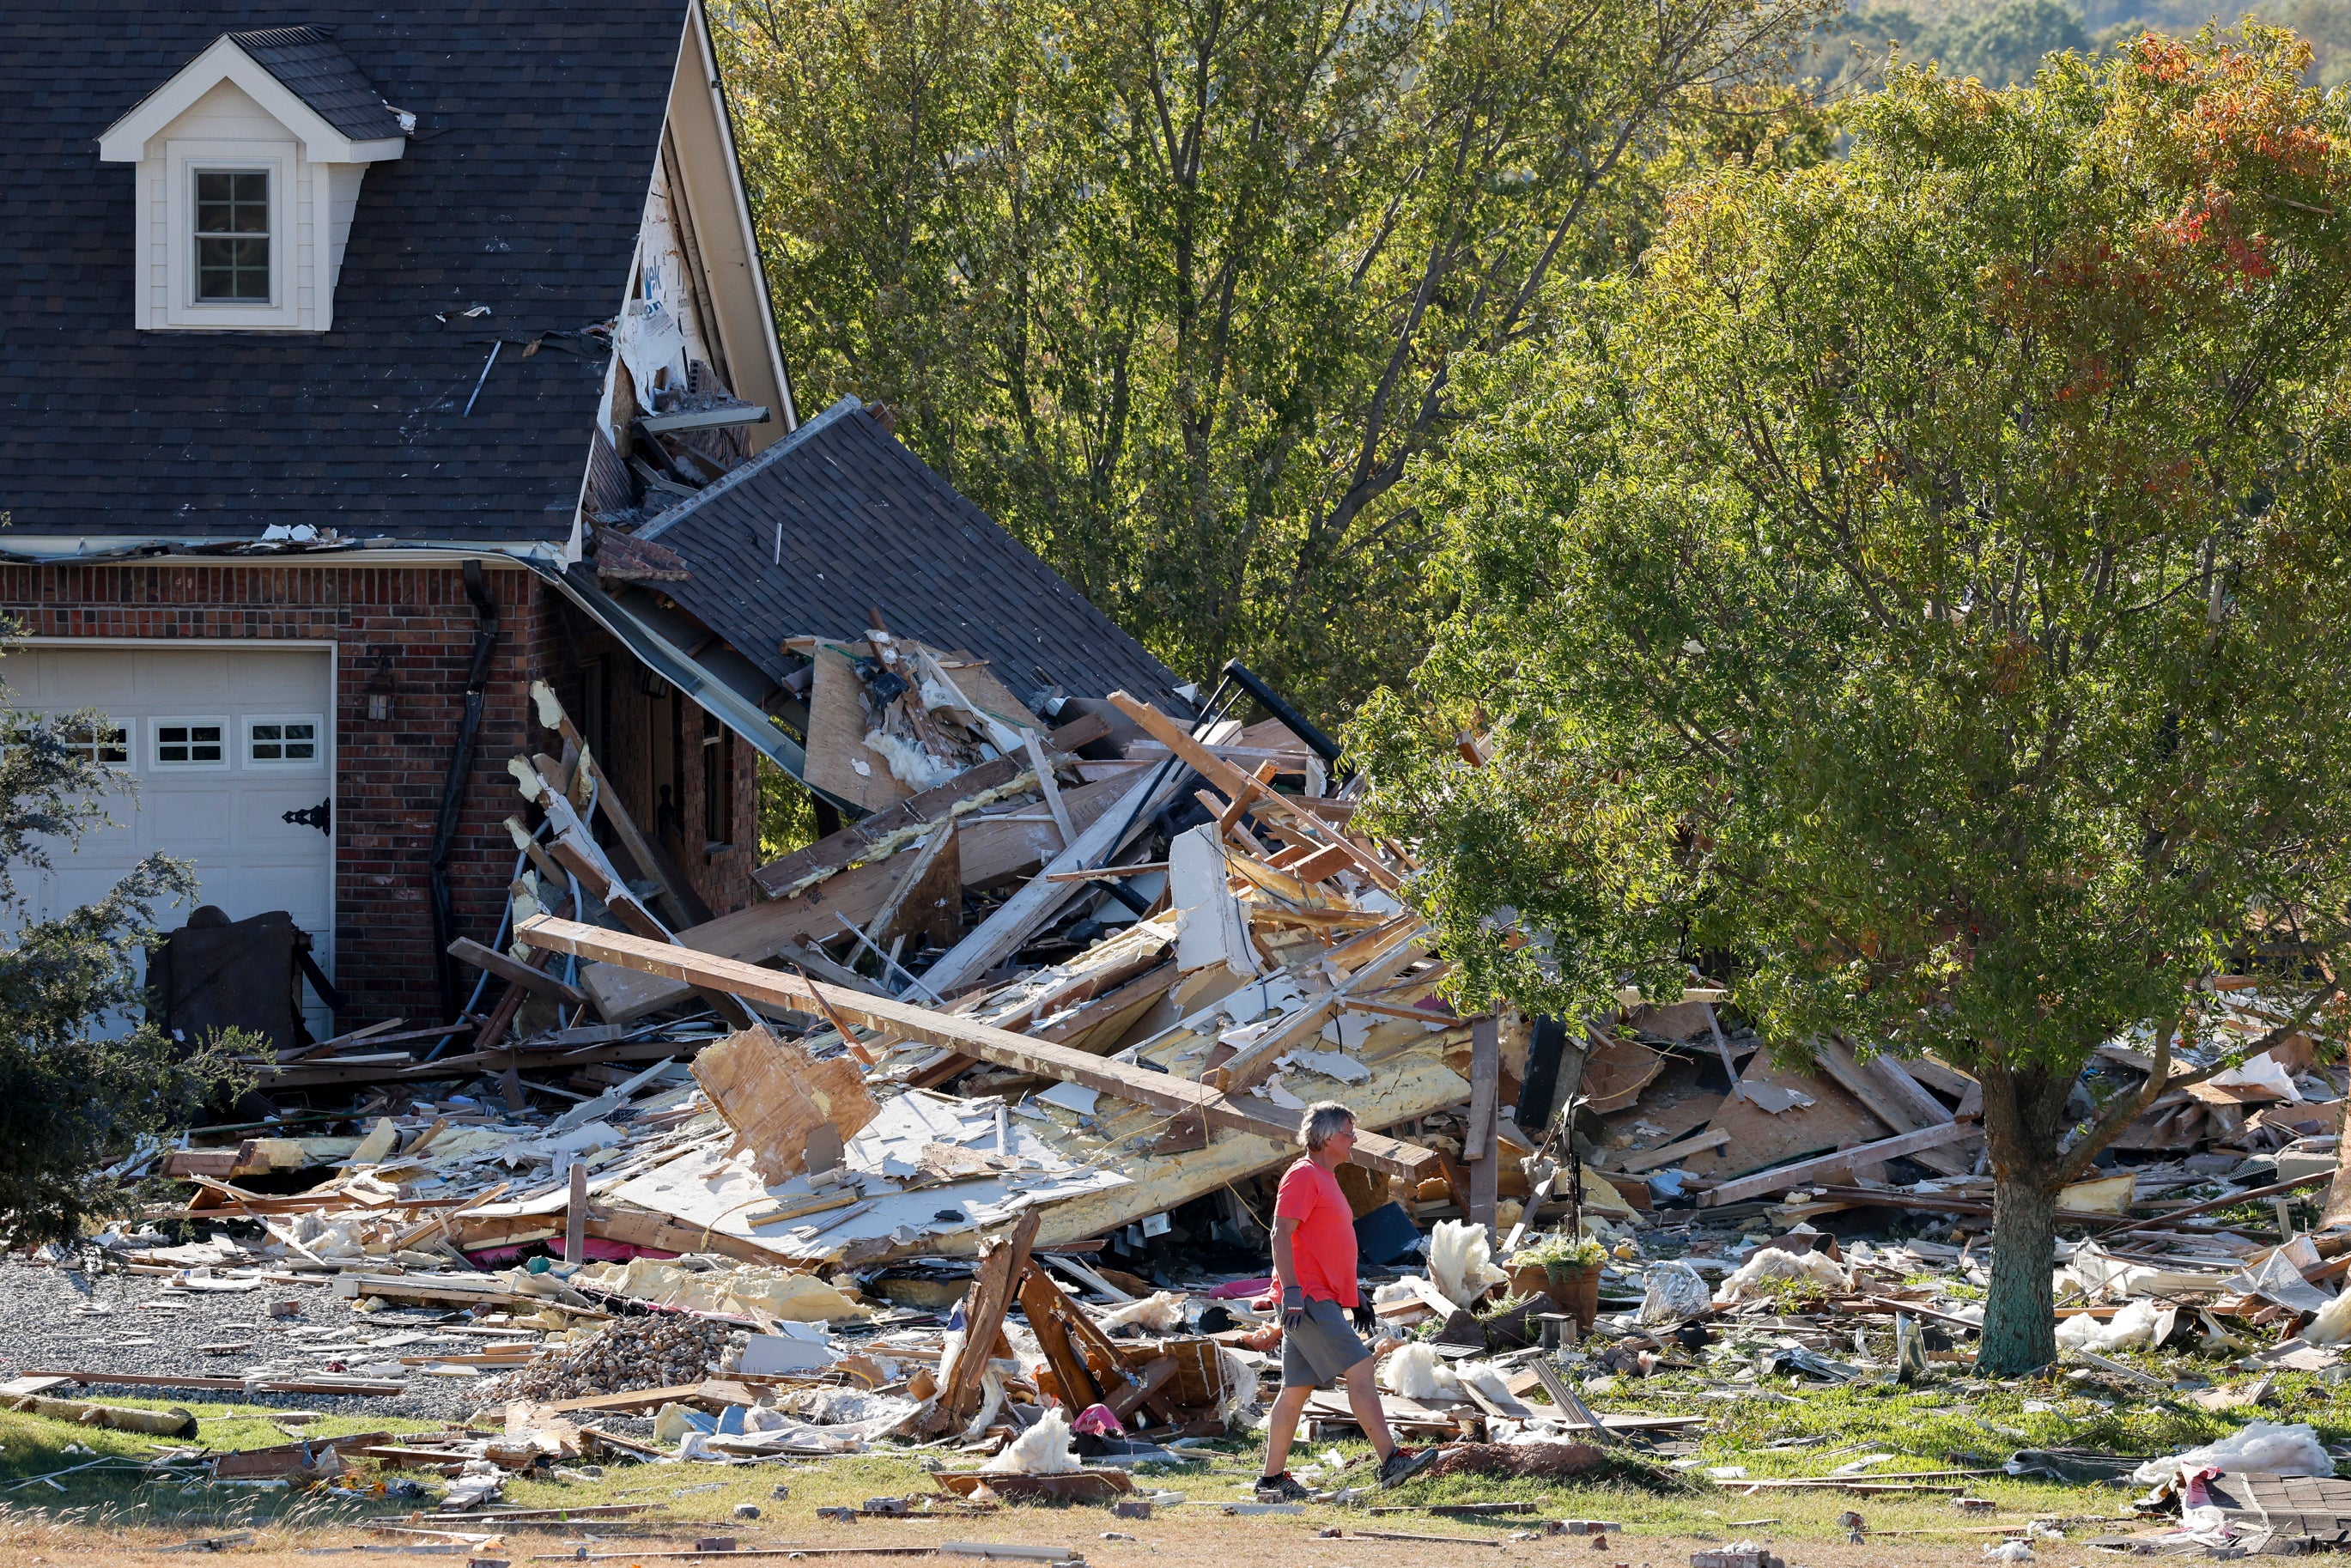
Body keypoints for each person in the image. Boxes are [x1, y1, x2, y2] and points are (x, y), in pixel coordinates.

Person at [1254, 1100, 1438, 1499]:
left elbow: (1322, 1244)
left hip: (1316, 1298)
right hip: (1307, 1299)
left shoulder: (1326, 1177)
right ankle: (1390, 1460)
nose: (1354, 1139)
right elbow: (1279, 1234)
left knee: (1294, 1391)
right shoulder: (1303, 1176)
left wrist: (1354, 1294)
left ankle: (1271, 1481)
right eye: (1348, 1133)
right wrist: (1292, 1293)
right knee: (1360, 1368)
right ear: (1324, 1137)